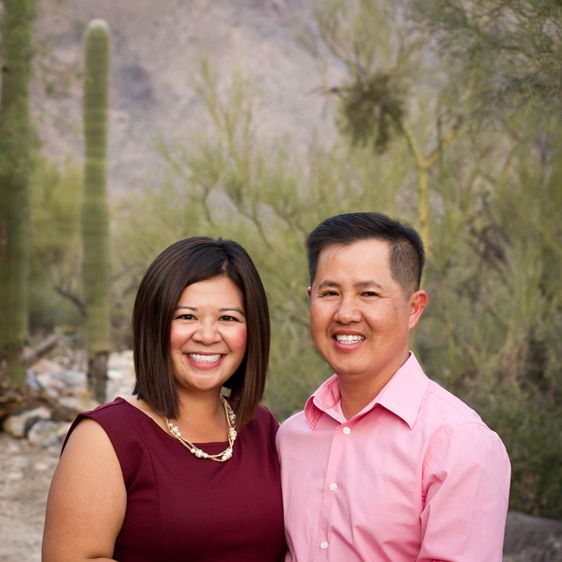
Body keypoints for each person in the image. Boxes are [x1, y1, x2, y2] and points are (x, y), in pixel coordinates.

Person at [276, 212, 511, 562]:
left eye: (368, 293)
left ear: (414, 308)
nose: (345, 313)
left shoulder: (459, 444)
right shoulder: (291, 436)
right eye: (329, 293)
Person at [42, 237, 286, 562]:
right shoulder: (105, 438)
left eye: (228, 318)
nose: (208, 335)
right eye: (186, 317)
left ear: (252, 330)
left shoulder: (262, 427)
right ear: (154, 324)